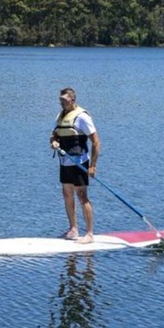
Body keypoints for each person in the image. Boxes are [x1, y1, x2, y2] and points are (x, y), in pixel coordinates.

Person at [50, 87, 101, 244]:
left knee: (81, 196)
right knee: (66, 194)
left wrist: (92, 166)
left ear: (72, 100)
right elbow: (54, 135)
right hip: (64, 161)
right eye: (60, 100)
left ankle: (89, 234)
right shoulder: (61, 116)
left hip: (79, 162)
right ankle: (73, 229)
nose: (61, 103)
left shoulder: (82, 117)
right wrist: (53, 142)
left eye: (64, 100)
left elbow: (96, 142)